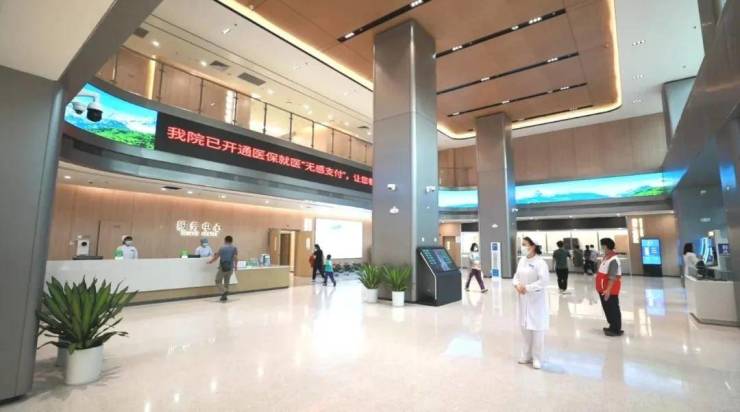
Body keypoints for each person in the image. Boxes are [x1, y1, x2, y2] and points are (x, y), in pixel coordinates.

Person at [513, 236, 550, 370]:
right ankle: (526, 355)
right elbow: (516, 276)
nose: (522, 247)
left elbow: (544, 281)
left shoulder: (540, 263)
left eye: (525, 244)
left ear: (533, 246)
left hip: (536, 300)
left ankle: (537, 358)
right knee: (525, 329)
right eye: (522, 244)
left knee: (537, 330)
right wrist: (517, 285)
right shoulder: (522, 260)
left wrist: (527, 288)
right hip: (523, 299)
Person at [596, 238, 623, 337]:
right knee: (607, 308)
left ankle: (616, 329)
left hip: (610, 290)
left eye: (602, 245)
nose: (601, 247)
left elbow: (612, 277)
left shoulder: (613, 260)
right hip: (603, 288)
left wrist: (608, 290)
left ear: (606, 246)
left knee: (613, 308)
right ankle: (612, 326)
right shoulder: (606, 257)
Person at [208, 235, 238, 302]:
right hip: (230, 267)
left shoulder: (222, 248)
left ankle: (225, 291)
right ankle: (224, 297)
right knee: (226, 282)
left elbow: (216, 257)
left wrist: (210, 261)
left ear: (225, 240)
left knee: (217, 281)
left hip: (223, 268)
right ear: (232, 241)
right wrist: (236, 266)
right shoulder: (234, 248)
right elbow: (235, 258)